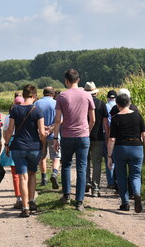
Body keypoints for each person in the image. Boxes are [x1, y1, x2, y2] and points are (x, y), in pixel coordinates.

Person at [53, 69, 95, 212]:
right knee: (82, 168)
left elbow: (57, 120)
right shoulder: (87, 95)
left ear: (66, 81)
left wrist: (54, 137)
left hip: (67, 135)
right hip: (83, 135)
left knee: (66, 165)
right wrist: (87, 131)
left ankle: (66, 195)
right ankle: (79, 201)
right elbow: (93, 119)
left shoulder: (62, 96)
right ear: (79, 79)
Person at [5, 84, 46, 218]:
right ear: (34, 95)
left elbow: (10, 130)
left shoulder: (15, 110)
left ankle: (25, 207)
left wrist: (6, 144)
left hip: (18, 147)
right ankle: (32, 201)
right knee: (32, 174)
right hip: (34, 147)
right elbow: (41, 132)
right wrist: (43, 146)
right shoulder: (38, 110)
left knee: (23, 177)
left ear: (23, 95)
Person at [107, 93, 145, 213]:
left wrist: (109, 156)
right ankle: (136, 194)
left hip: (120, 149)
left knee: (121, 176)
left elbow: (112, 139)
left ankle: (125, 203)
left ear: (117, 104)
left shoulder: (115, 118)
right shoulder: (138, 116)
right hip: (136, 147)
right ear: (129, 103)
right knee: (135, 175)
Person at [109, 88, 139, 197]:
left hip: (119, 144)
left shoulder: (115, 110)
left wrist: (109, 154)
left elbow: (111, 133)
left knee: (120, 170)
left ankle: (121, 193)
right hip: (135, 144)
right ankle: (133, 192)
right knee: (134, 172)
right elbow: (143, 133)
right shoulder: (135, 109)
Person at [84, 82, 109, 197]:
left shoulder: (82, 103)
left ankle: (86, 182)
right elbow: (105, 124)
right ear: (95, 92)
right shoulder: (101, 104)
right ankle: (95, 188)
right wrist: (107, 138)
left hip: (84, 135)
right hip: (98, 137)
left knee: (85, 161)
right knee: (97, 163)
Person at [34, 87, 61, 189]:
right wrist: (50, 129)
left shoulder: (37, 103)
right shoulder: (56, 103)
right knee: (56, 156)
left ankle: (43, 178)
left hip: (40, 133)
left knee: (42, 156)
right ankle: (54, 173)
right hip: (54, 134)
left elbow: (34, 118)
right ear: (53, 94)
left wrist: (42, 128)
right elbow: (60, 120)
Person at [0, 103, 22, 209]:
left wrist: (6, 143)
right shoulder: (23, 115)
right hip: (23, 141)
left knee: (15, 173)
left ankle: (19, 197)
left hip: (12, 141)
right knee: (26, 172)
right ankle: (28, 197)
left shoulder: (8, 118)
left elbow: (5, 132)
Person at [105, 90, 117, 189]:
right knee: (117, 158)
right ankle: (116, 180)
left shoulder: (106, 106)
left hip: (108, 133)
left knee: (109, 157)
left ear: (108, 97)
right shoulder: (119, 106)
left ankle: (111, 181)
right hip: (118, 134)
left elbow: (105, 123)